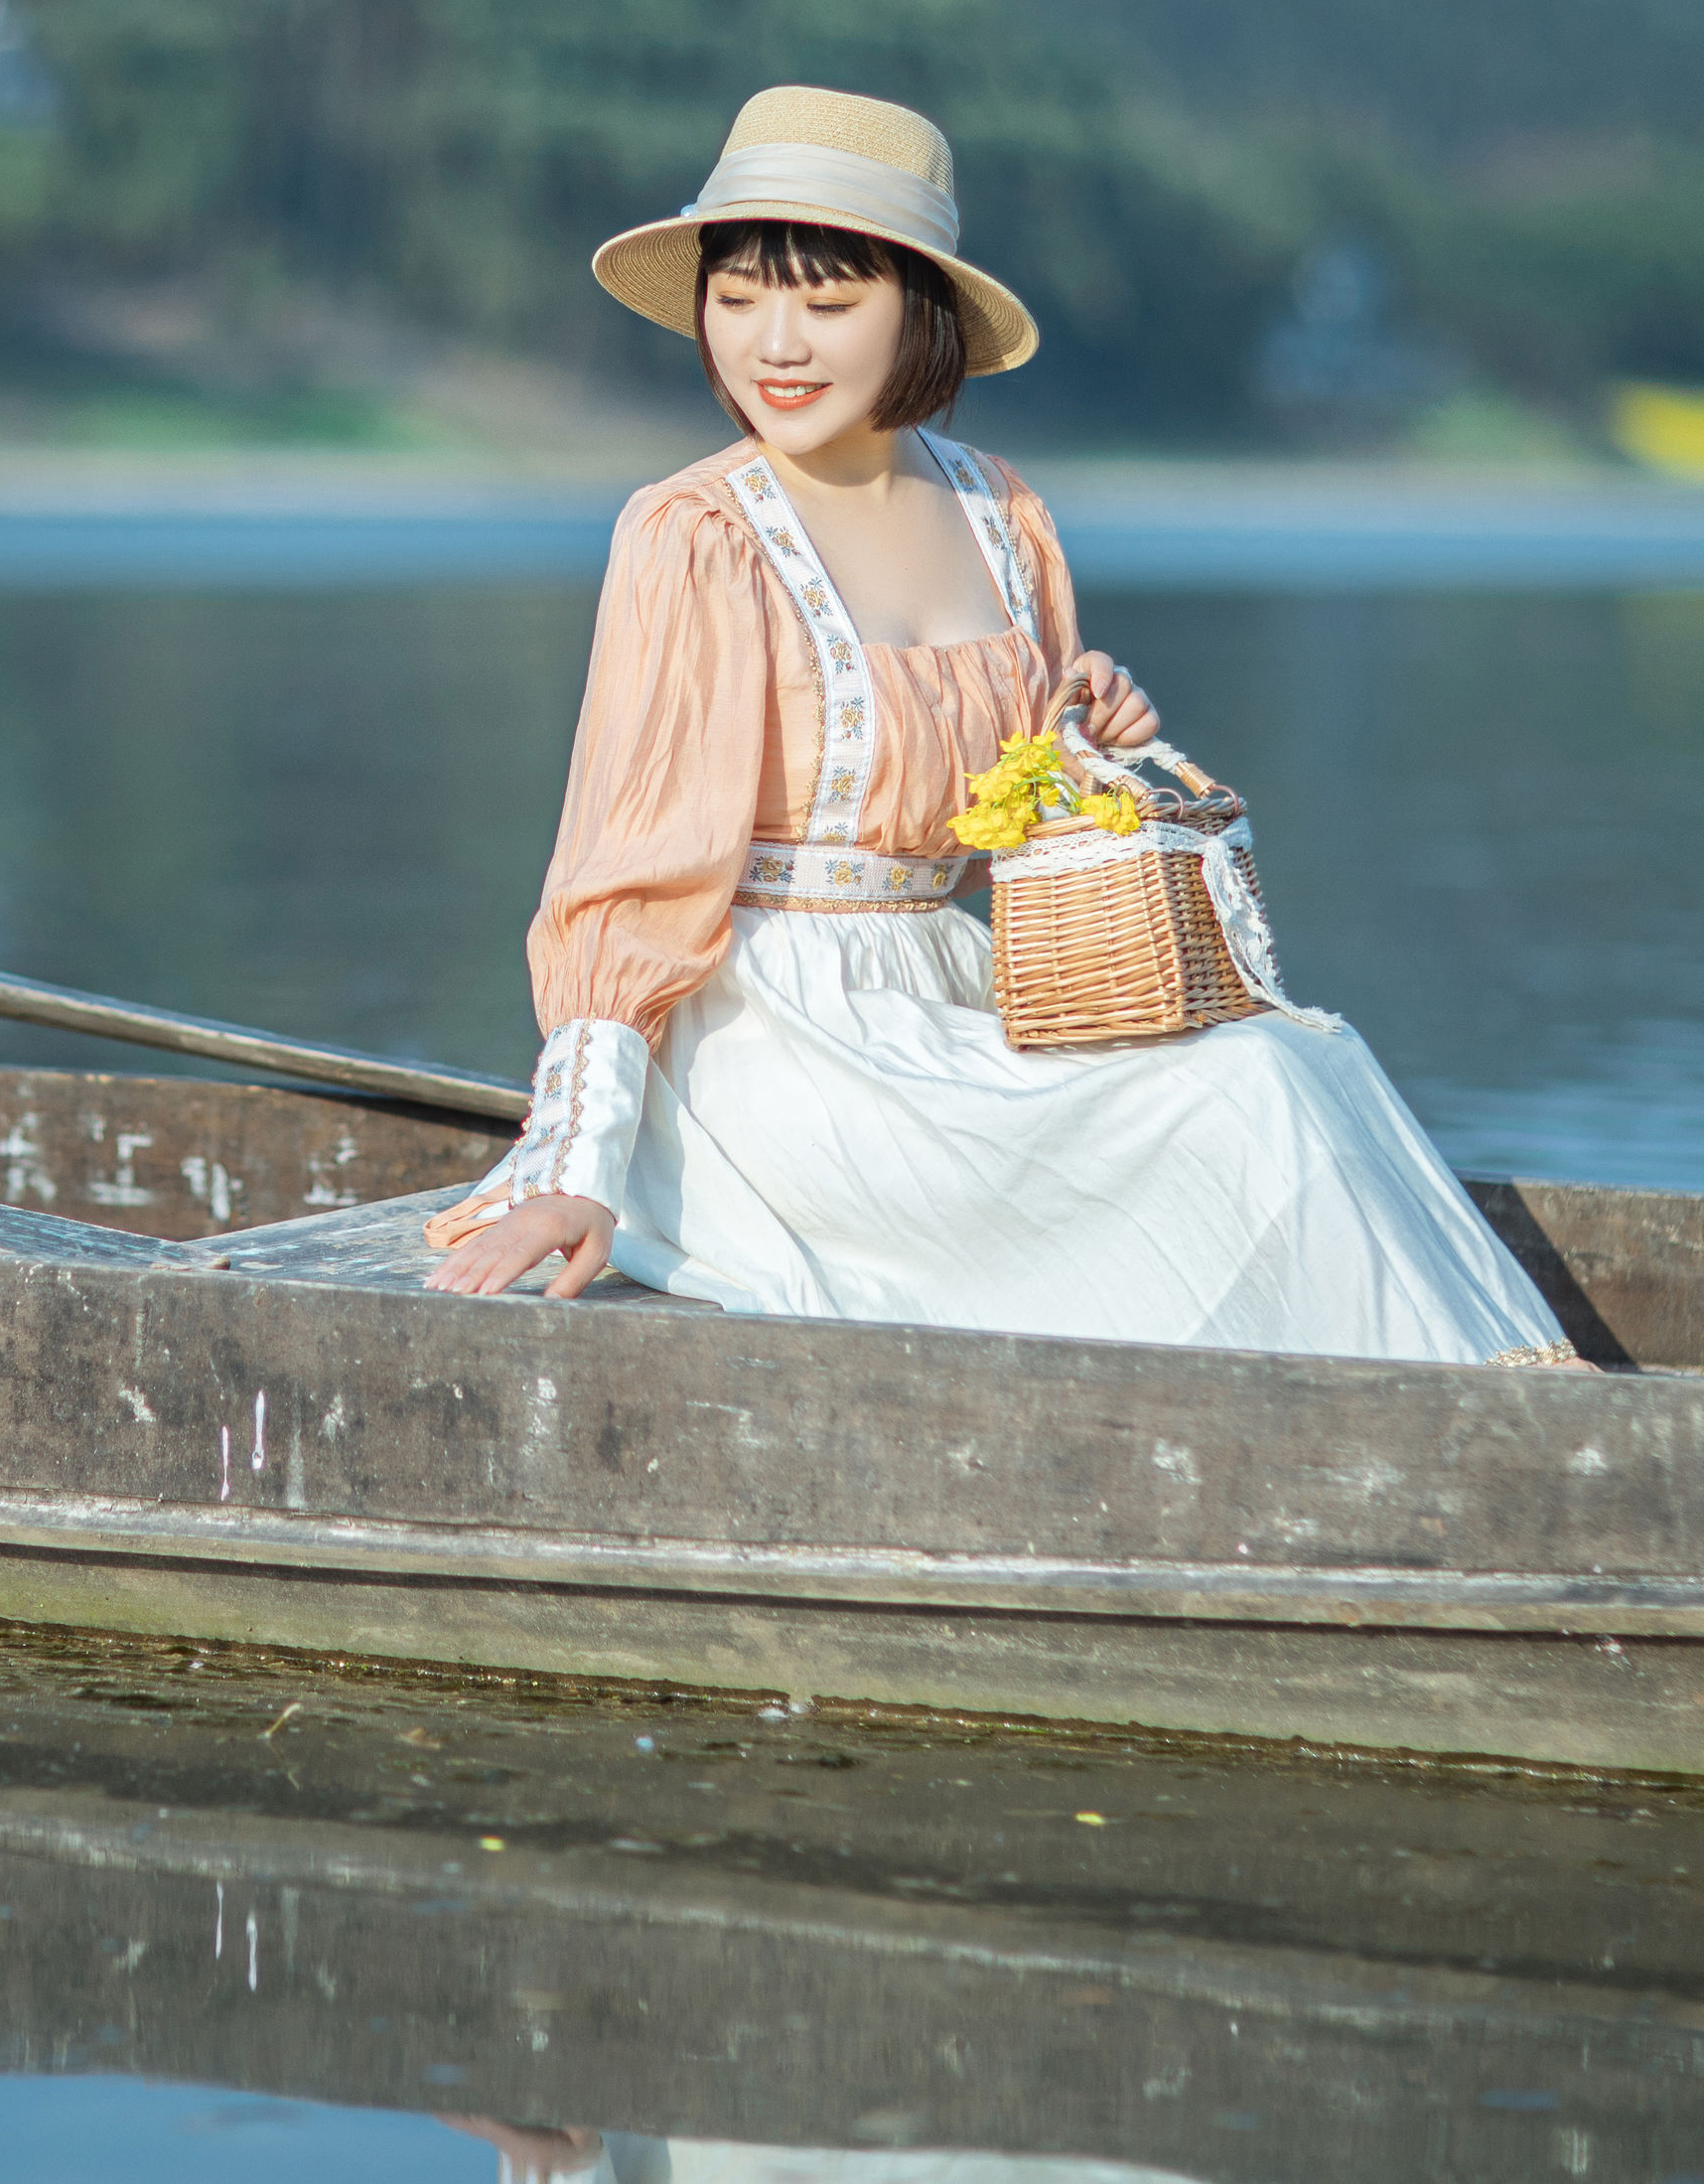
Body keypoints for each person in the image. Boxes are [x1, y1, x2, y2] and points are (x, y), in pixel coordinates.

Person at [421, 86, 1573, 1367]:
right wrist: (581, 1161)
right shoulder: (695, 534)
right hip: (765, 1047)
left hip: (954, 994)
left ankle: (1483, 1425)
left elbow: (991, 836)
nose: (775, 344)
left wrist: (1088, 747)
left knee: (1288, 1062)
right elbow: (623, 882)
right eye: (739, 296)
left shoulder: (999, 512)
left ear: (917, 307)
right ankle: (1459, 1437)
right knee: (1242, 1098)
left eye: (829, 298)